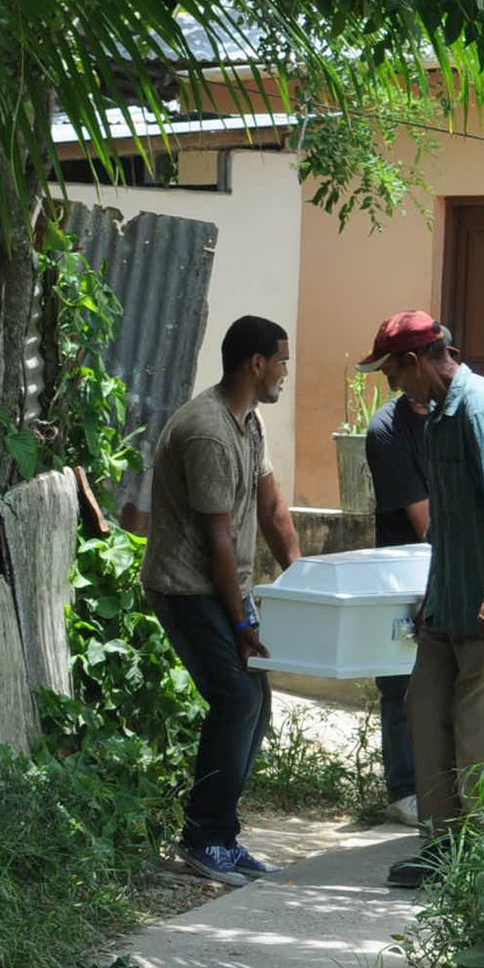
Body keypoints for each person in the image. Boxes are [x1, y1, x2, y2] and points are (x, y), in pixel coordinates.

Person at [357, 310, 484, 889]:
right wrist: (434, 595)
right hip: (451, 601)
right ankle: (444, 849)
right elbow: (447, 524)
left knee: (481, 738)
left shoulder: (479, 405)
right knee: (425, 711)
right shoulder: (436, 417)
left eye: (391, 372)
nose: (390, 385)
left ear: (416, 362)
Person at [140, 315, 302, 887]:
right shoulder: (207, 431)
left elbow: (273, 510)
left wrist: (305, 584)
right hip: (187, 588)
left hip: (221, 586)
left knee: (255, 697)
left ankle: (222, 838)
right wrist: (241, 622)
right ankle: (203, 839)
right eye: (282, 360)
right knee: (236, 698)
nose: (286, 370)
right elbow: (218, 543)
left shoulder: (247, 423)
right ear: (255, 364)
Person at [363, 389, 431, 827]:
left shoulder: (463, 413)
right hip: (401, 571)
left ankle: (446, 785)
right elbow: (424, 520)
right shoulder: (386, 428)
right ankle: (404, 789)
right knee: (399, 681)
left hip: (459, 564)